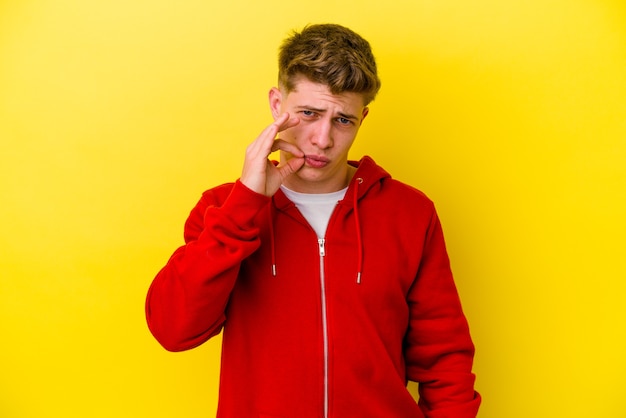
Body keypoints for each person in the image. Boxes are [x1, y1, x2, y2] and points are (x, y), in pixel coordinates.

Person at [145, 23, 481, 418]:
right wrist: (246, 204)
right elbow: (173, 329)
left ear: (363, 118)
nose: (323, 139)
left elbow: (445, 357)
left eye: (343, 121)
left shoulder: (409, 212)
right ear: (276, 104)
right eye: (309, 113)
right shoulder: (223, 209)